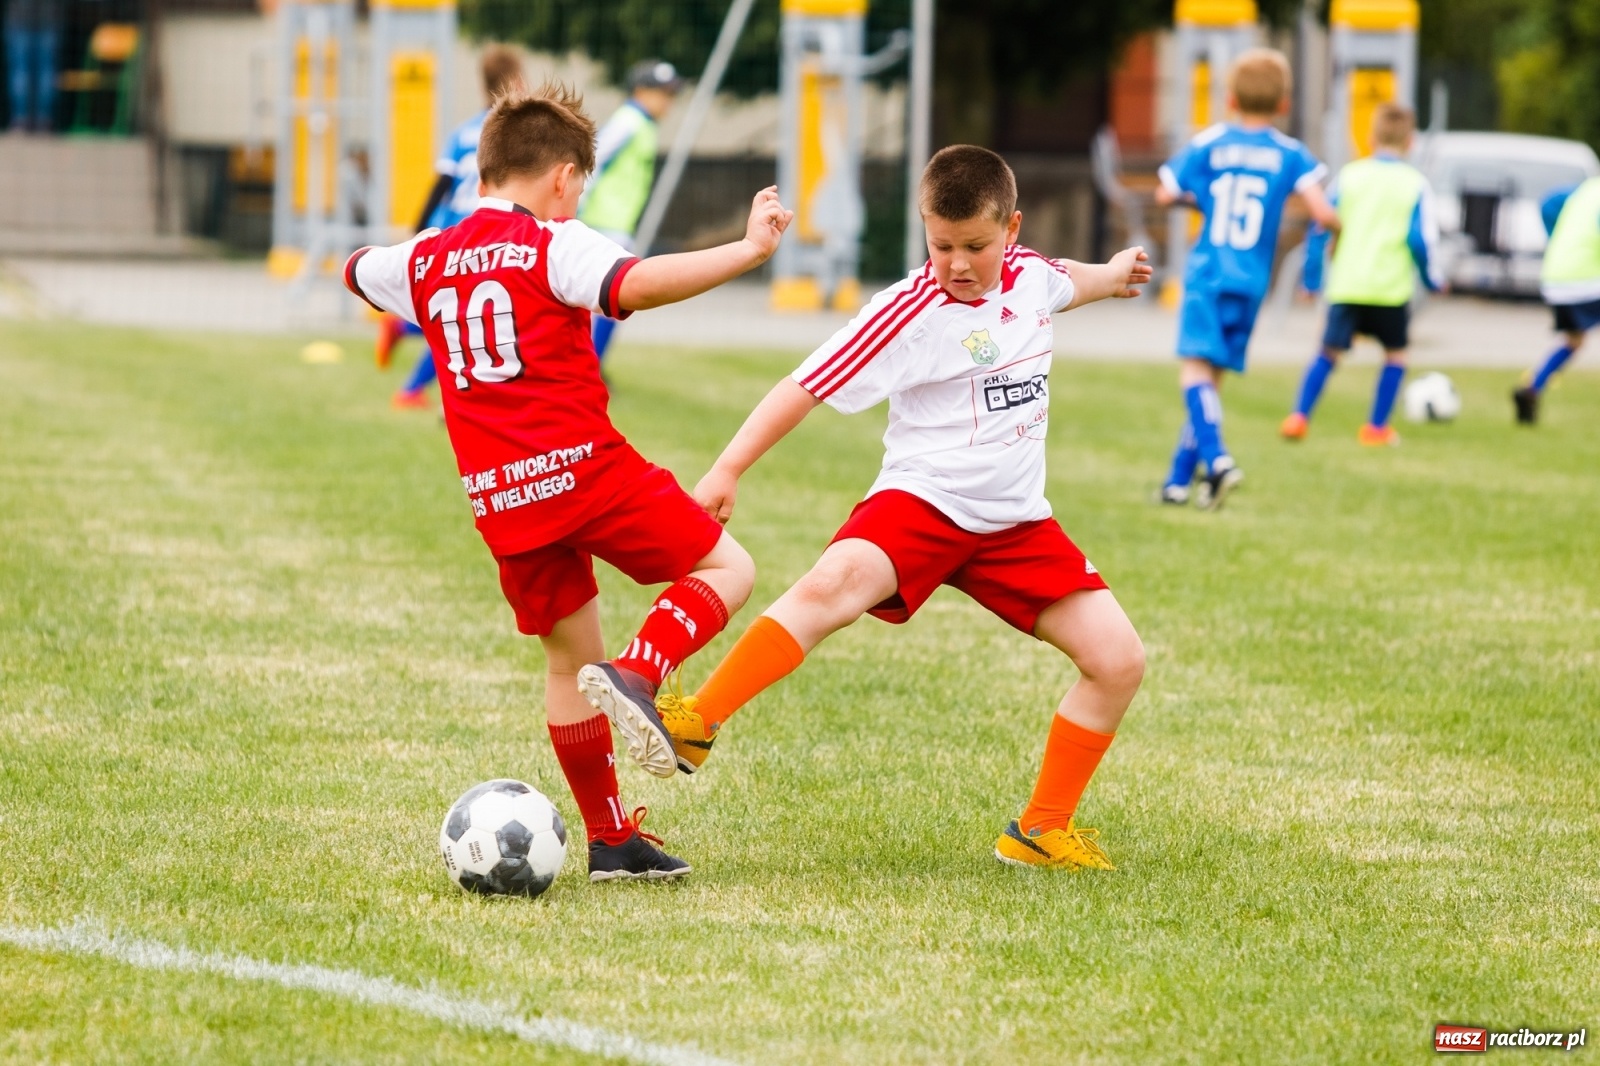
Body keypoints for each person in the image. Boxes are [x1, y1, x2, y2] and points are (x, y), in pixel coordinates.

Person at [596, 145, 1153, 871]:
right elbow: (804, 385)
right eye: (941, 244)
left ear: (1011, 230)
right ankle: (697, 719)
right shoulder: (906, 312)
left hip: (1015, 521)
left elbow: (1064, 281)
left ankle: (1042, 830)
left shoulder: (1031, 278)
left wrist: (1112, 277)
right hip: (920, 502)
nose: (957, 262)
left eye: (976, 246)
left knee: (1119, 660)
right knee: (832, 585)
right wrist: (730, 467)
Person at [342, 84, 793, 881]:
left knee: (564, 663)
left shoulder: (421, 260)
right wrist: (749, 252)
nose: (575, 198)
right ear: (560, 176)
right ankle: (642, 670)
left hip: (501, 499)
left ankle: (612, 838)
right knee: (730, 568)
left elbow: (356, 269)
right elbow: (637, 286)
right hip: (584, 470)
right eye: (578, 184)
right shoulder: (556, 244)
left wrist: (390, 265)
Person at [1153, 48, 1339, 508]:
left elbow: (1164, 192)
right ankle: (1179, 481)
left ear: (1230, 99)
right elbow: (1322, 212)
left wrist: (1207, 200)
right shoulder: (1290, 153)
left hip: (1209, 272)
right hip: (1252, 280)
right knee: (1211, 381)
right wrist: (1334, 232)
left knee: (1195, 372)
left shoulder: (1211, 141)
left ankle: (1216, 458)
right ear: (1283, 105)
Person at [1281, 102, 1442, 445]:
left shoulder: (1350, 176)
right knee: (1396, 355)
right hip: (1390, 289)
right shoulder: (1416, 184)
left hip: (1347, 284)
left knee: (1327, 352)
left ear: (1370, 139)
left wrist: (1312, 280)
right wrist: (1432, 280)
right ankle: (1376, 427)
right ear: (1410, 142)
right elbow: (1420, 239)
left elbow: (1320, 227)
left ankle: (1299, 417)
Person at [376, 45, 526, 410]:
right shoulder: (515, 135)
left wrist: (418, 230)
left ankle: (402, 331)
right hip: (486, 234)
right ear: (516, 81)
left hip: (452, 233)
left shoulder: (463, 132)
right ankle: (412, 389)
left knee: (464, 314)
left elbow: (440, 184)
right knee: (468, 318)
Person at [579, 60, 683, 364]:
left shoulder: (642, 124)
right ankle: (589, 367)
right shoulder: (628, 122)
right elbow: (592, 162)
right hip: (603, 223)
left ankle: (591, 366)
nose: (668, 101)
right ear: (640, 91)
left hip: (615, 224)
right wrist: (576, 210)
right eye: (662, 92)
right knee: (612, 300)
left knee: (610, 303)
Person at [1512, 177, 1600, 425]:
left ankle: (1532, 387)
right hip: (1587, 279)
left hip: (1556, 276)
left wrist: (1557, 238)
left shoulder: (1587, 189)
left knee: (1574, 340)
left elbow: (1549, 204)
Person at [6, 0, 64, 132]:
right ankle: (44, 122)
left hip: (20, 17)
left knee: (21, 72)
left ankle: (20, 121)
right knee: (46, 72)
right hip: (49, 17)